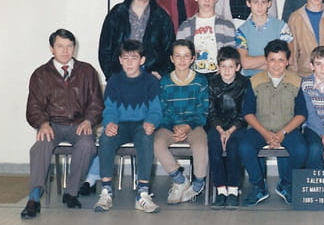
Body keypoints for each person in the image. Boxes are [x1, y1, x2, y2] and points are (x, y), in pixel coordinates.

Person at [22, 29, 104, 219]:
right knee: (41, 145)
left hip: (79, 124)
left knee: (87, 145)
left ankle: (71, 193)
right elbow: (34, 106)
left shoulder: (87, 71)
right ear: (52, 49)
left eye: (69, 46)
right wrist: (42, 123)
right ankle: (34, 197)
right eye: (60, 46)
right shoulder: (41, 74)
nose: (65, 51)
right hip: (53, 125)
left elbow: (96, 103)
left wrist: (89, 121)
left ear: (74, 48)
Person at [93, 39, 162, 214]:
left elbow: (156, 110)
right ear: (120, 60)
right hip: (120, 126)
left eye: (134, 58)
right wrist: (110, 123)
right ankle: (106, 191)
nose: (129, 62)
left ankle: (142, 194)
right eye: (125, 58)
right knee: (106, 138)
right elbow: (109, 109)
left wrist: (151, 122)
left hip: (141, 125)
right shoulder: (114, 81)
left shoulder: (151, 82)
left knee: (146, 138)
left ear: (142, 60)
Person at [239, 39, 307, 206]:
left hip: (287, 130)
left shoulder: (297, 81)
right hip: (260, 129)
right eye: (272, 60)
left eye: (281, 60)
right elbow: (247, 112)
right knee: (245, 147)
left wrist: (282, 133)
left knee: (301, 150)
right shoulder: (254, 81)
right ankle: (258, 186)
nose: (276, 65)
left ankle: (286, 184)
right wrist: (265, 133)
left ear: (287, 61)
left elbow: (301, 114)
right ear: (266, 60)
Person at [154, 39, 209, 205]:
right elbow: (162, 111)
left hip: (193, 125)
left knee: (201, 146)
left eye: (186, 56)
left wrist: (187, 126)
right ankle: (179, 180)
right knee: (156, 144)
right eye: (178, 56)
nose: (182, 60)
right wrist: (174, 127)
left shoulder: (201, 81)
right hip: (170, 126)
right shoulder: (164, 82)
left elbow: (203, 111)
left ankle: (198, 184)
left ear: (193, 58)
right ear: (172, 58)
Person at [98, 0, 174, 81]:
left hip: (150, 77)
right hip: (120, 75)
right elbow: (105, 49)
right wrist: (112, 76)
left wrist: (160, 73)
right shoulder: (117, 13)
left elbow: (170, 50)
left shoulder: (162, 18)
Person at [206, 46, 249, 209]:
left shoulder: (245, 83)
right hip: (216, 125)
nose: (226, 70)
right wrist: (220, 131)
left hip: (238, 126)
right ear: (218, 67)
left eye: (231, 66)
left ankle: (233, 190)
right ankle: (220, 190)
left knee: (234, 147)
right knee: (214, 145)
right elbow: (210, 112)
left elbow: (245, 113)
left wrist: (230, 131)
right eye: (223, 66)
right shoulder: (212, 83)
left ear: (238, 67)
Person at [176, 0, 236, 76]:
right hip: (193, 75)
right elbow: (179, 53)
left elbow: (231, 54)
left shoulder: (227, 26)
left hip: (219, 75)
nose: (207, 0)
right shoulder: (185, 27)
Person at [235, 0, 293, 76]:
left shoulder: (282, 27)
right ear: (248, 3)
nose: (259, 6)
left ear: (269, 3)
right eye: (256, 2)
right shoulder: (241, 31)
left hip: (277, 78)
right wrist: (276, 60)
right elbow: (245, 63)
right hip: (251, 79)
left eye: (263, 2)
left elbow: (290, 59)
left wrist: (256, 62)